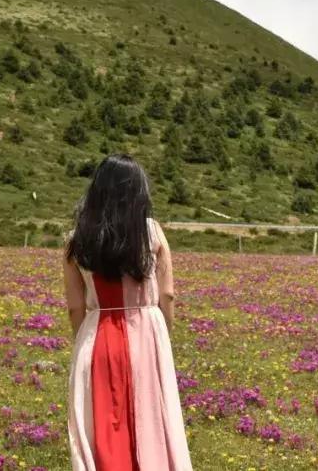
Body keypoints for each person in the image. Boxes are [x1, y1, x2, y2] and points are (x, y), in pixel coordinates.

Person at [64, 154, 193, 470]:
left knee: (102, 423)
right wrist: (164, 334)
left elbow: (74, 306)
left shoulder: (77, 238)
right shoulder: (152, 232)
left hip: (96, 335)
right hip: (146, 330)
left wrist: (85, 340)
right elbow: (168, 294)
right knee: (151, 418)